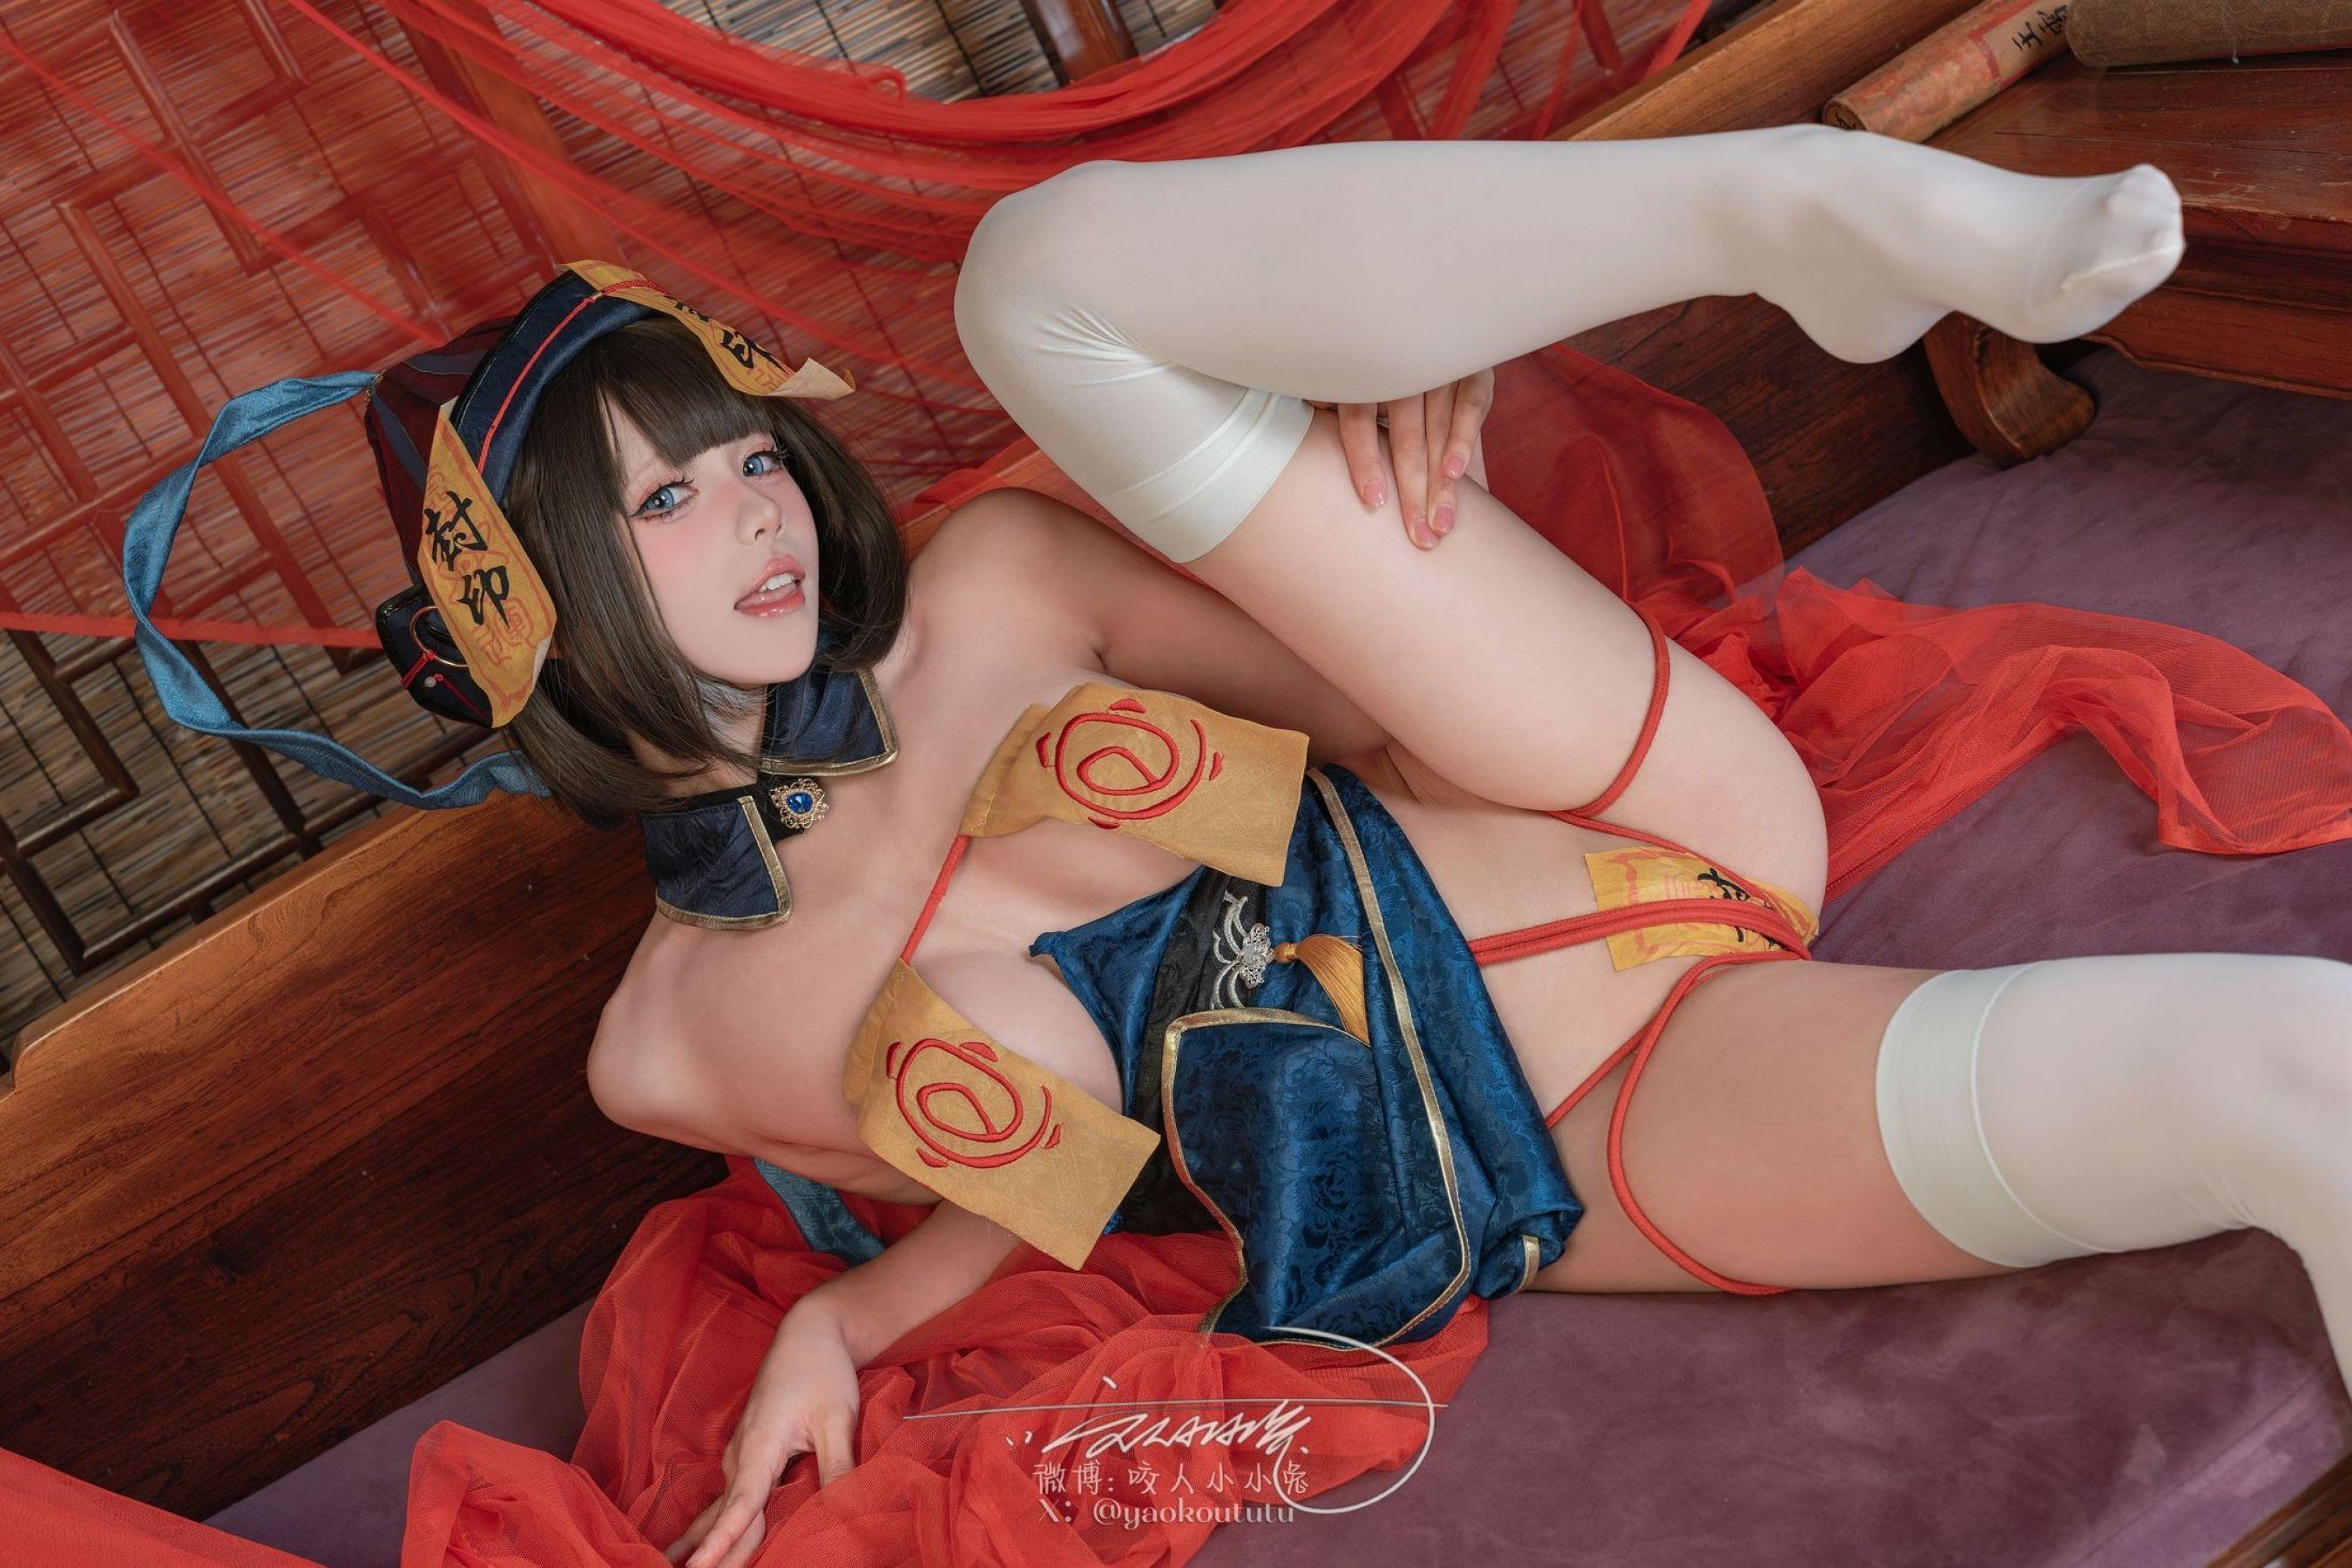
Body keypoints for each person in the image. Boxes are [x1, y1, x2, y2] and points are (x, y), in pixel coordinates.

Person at [117, 128, 2349, 1568]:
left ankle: (1783, 200)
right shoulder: (676, 1043)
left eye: (747, 457)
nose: (757, 515)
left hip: (1601, 799)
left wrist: (1337, 411)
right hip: (1578, 1138)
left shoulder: (996, 591)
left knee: (1035, 281)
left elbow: (1381, 697)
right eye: (666, 503)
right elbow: (1053, 1189)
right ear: (533, 611)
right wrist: (843, 1330)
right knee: (2301, 1072)